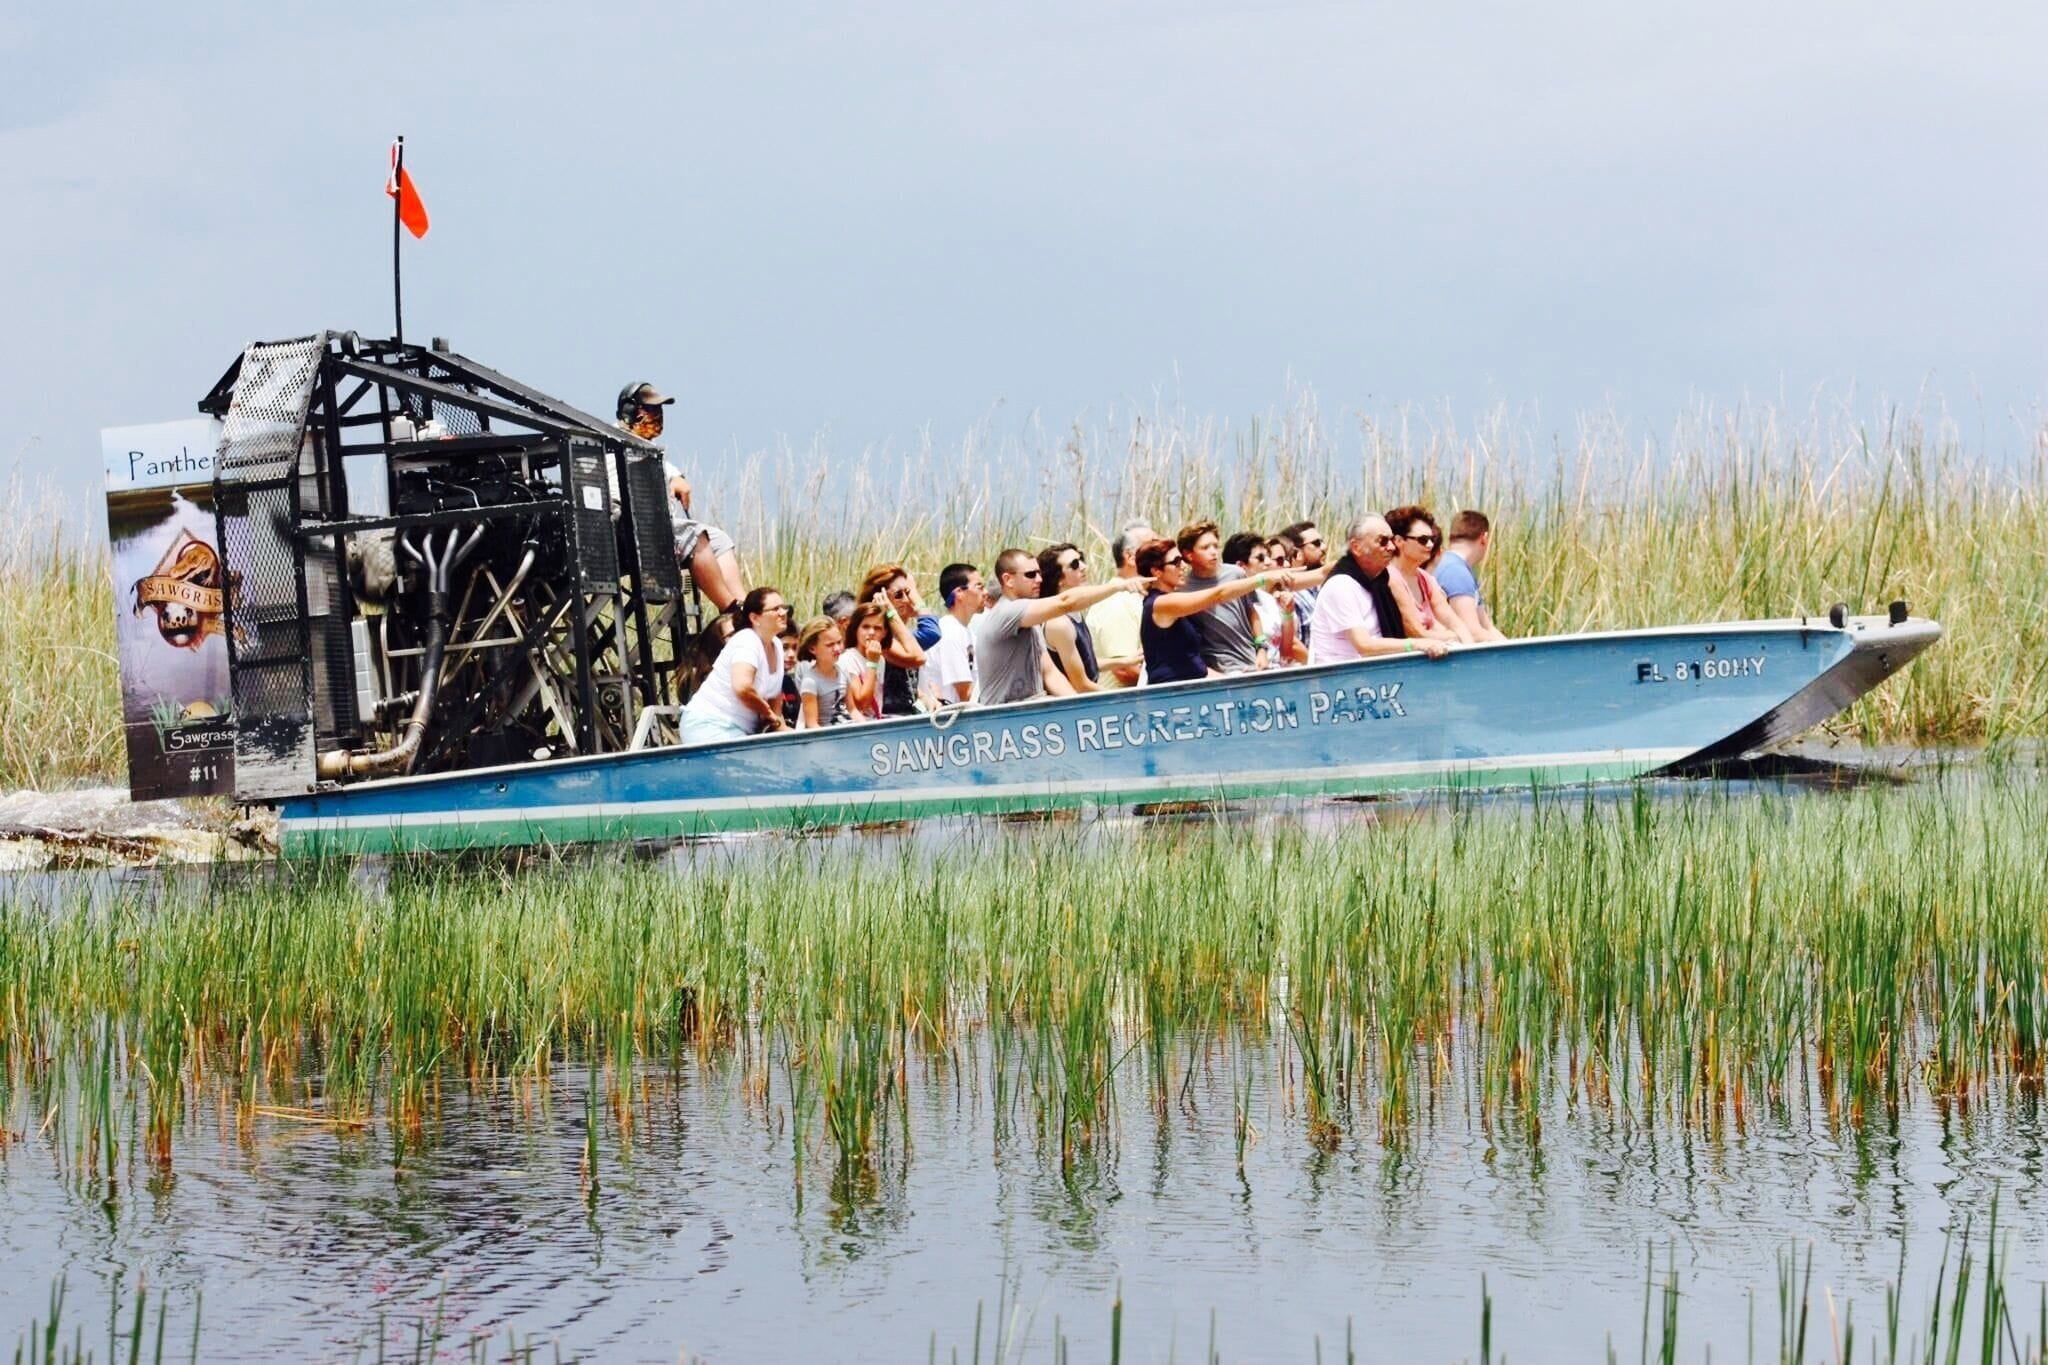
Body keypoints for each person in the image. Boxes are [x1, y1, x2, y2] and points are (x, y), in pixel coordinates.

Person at [617, 382, 747, 612]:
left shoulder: (646, 448)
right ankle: (730, 609)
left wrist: (675, 476)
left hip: (650, 526)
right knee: (695, 535)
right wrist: (672, 476)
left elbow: (662, 468)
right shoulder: (613, 443)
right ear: (630, 413)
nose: (657, 417)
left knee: (719, 540)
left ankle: (746, 605)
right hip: (626, 529)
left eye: (659, 411)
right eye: (650, 411)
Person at [971, 548, 1148, 705]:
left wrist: (1077, 707)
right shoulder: (1007, 612)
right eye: (1030, 575)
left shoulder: (1030, 623)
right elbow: (1065, 602)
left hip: (1031, 711)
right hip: (1003, 717)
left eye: (1039, 573)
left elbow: (1050, 673)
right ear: (1008, 580)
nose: (1039, 579)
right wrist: (1118, 586)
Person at [1134, 538, 1284, 685]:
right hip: (1173, 697)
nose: (1183, 566)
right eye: (1176, 562)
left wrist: (1231, 682)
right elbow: (1218, 595)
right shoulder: (1161, 604)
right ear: (1156, 571)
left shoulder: (1167, 601)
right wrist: (1260, 579)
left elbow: (1192, 665)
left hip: (1190, 691)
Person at [1305, 518, 1450, 666]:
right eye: (1383, 541)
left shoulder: (1380, 582)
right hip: (1341, 677)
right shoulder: (1341, 585)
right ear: (1356, 547)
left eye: (1392, 540)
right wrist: (1416, 644)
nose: (1392, 547)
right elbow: (1364, 645)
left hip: (1373, 674)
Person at [679, 587, 790, 743]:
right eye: (775, 609)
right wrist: (769, 714)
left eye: (784, 607)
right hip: (709, 724)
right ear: (755, 618)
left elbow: (774, 698)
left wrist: (785, 730)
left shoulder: (777, 645)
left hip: (740, 731)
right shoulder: (747, 640)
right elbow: (742, 688)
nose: (783, 613)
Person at [1177, 521, 1263, 673]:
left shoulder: (1236, 574)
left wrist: (1262, 648)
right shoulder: (1183, 589)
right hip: (1221, 667)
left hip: (1251, 658)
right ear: (1188, 554)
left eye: (1216, 546)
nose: (1213, 552)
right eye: (1205, 547)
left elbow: (1251, 612)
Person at [855, 564, 936, 715]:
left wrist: (925, 697)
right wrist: (890, 613)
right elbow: (918, 657)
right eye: (899, 595)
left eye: (907, 593)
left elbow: (905, 678)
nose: (906, 600)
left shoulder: (898, 635)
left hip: (905, 715)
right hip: (886, 719)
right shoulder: (878, 638)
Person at [1383, 505, 1468, 644]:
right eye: (1423, 539)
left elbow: (1455, 623)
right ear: (1399, 541)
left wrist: (1467, 647)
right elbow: (1416, 633)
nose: (1430, 545)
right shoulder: (1390, 577)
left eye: (1432, 539)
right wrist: (1452, 637)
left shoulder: (1425, 579)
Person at [1085, 522, 1154, 688]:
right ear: (1130, 557)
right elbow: (1125, 671)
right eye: (1153, 548)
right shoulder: (1117, 602)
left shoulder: (1137, 599)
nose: (1162, 553)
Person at [1038, 543, 1101, 692]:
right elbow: (1081, 684)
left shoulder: (1074, 614)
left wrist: (1125, 661)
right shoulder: (1058, 623)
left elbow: (1085, 663)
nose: (1084, 566)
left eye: (1081, 559)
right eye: (1075, 564)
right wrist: (1126, 698)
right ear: (1059, 579)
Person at [1437, 510, 1508, 642]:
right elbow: (1473, 631)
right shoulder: (1456, 572)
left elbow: (1486, 627)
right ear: (1484, 538)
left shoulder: (1460, 568)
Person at [793, 616, 863, 728]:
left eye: (839, 642)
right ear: (812, 649)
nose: (837, 648)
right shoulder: (810, 682)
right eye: (830, 645)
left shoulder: (843, 670)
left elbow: (852, 709)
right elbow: (812, 724)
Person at [931, 562, 984, 703]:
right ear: (959, 593)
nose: (985, 593)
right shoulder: (949, 632)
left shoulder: (968, 633)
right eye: (979, 587)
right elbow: (965, 694)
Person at [1277, 521, 1326, 646]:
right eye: (1316, 543)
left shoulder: (1324, 586)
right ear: (1296, 552)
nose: (1324, 547)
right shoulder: (1286, 594)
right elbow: (1292, 643)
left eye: (1322, 541)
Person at [841, 601, 888, 719]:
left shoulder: (880, 659)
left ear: (884, 633)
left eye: (877, 628)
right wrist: (872, 664)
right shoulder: (847, 659)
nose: (871, 633)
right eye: (865, 627)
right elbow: (861, 704)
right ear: (856, 629)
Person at [777, 622, 802, 727]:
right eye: (785, 648)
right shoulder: (767, 680)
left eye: (795, 648)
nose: (791, 654)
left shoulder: (789, 681)